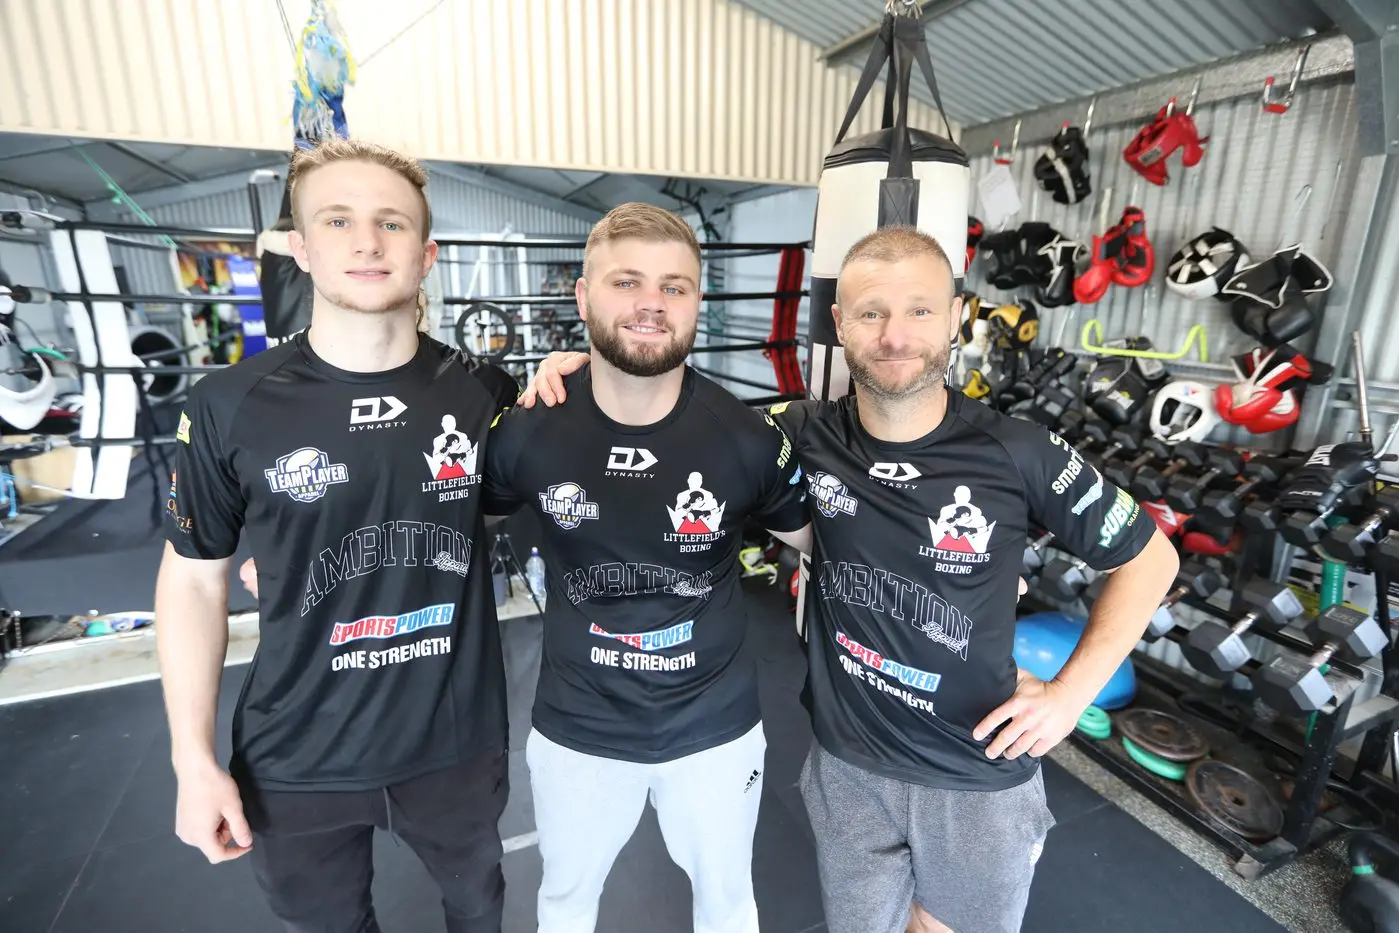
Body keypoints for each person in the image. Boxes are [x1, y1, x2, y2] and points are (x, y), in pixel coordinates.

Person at [522, 225, 1178, 933]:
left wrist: (1069, 695)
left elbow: (1150, 560)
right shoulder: (798, 432)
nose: (895, 335)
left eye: (920, 309)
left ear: (956, 316)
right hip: (848, 766)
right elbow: (678, 417)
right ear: (839, 323)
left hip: (974, 768)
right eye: (871, 312)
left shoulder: (1018, 451)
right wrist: (594, 371)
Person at [155, 137, 522, 933]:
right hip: (297, 751)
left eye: (391, 223)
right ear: (300, 248)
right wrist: (192, 758)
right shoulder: (230, 404)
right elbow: (192, 578)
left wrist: (571, 383)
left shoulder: (485, 391)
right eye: (338, 220)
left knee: (478, 913)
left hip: (454, 740)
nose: (366, 242)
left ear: (425, 255)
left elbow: (492, 506)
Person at [479, 202, 812, 933]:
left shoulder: (746, 437)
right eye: (626, 282)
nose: (650, 304)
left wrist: (967, 579)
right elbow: (454, 532)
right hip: (578, 727)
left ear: (697, 300)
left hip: (714, 729)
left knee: (728, 907)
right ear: (583, 296)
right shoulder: (529, 430)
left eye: (673, 286)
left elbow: (826, 543)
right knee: (564, 904)